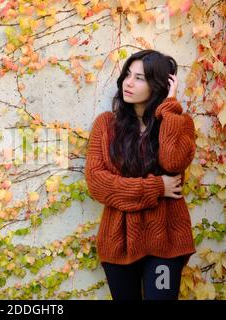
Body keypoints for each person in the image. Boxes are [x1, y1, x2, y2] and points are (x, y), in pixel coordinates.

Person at [84, 49, 197, 300]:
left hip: (165, 244)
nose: (129, 82)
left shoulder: (179, 123)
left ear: (158, 85)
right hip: (119, 242)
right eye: (127, 74)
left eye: (140, 78)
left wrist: (169, 107)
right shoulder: (105, 125)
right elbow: (97, 182)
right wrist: (156, 188)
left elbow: (173, 160)